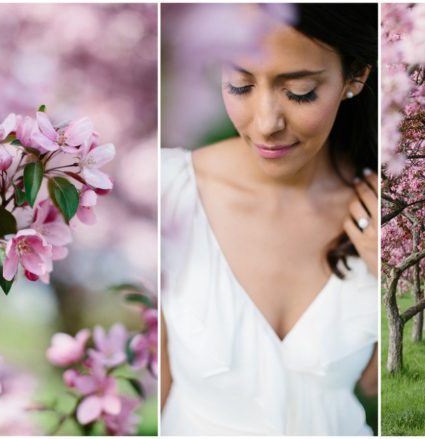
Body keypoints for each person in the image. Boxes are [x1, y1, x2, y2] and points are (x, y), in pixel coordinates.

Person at [160, 4, 377, 435]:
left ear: (355, 77)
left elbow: (377, 384)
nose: (265, 124)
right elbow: (158, 387)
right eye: (239, 85)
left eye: (299, 92)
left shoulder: (381, 213)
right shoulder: (168, 191)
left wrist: (385, 271)